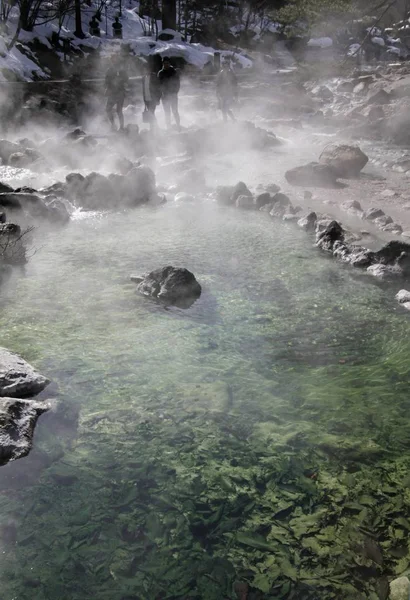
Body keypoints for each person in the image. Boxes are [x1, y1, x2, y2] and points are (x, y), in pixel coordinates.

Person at [105, 57, 128, 131]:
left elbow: (126, 79)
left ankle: (121, 127)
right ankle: (113, 124)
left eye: (115, 59)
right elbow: (106, 81)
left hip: (120, 92)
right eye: (112, 60)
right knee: (108, 109)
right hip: (112, 93)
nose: (113, 61)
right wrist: (107, 88)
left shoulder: (121, 69)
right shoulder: (109, 70)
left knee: (119, 110)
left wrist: (120, 80)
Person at [157, 56, 180, 129]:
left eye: (167, 63)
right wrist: (159, 96)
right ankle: (169, 128)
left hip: (173, 95)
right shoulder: (160, 73)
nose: (166, 64)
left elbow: (178, 84)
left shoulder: (173, 72)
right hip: (165, 96)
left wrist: (175, 92)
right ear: (162, 63)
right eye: (164, 63)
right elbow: (158, 85)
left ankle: (178, 126)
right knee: (167, 113)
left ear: (169, 63)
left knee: (175, 111)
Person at [142, 62, 161, 130]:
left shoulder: (154, 76)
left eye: (147, 69)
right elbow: (144, 89)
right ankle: (155, 127)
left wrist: (158, 99)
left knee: (151, 113)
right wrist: (144, 99)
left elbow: (159, 88)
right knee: (151, 114)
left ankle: (152, 128)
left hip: (153, 99)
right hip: (147, 99)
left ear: (149, 69)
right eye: (145, 69)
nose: (146, 70)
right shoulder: (143, 77)